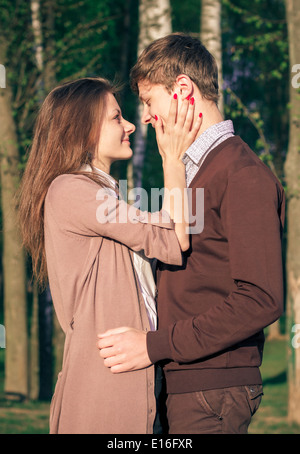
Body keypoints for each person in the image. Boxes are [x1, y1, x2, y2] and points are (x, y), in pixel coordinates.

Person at [97, 33, 286, 434]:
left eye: (149, 101)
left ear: (183, 90)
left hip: (212, 390)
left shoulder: (242, 173)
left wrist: (152, 346)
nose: (145, 117)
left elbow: (261, 298)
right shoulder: (192, 172)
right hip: (184, 383)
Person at [18, 76, 202, 434]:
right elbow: (176, 235)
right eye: (117, 117)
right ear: (84, 131)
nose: (131, 125)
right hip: (105, 392)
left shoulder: (101, 196)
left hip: (135, 382)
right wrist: (173, 158)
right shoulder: (70, 190)